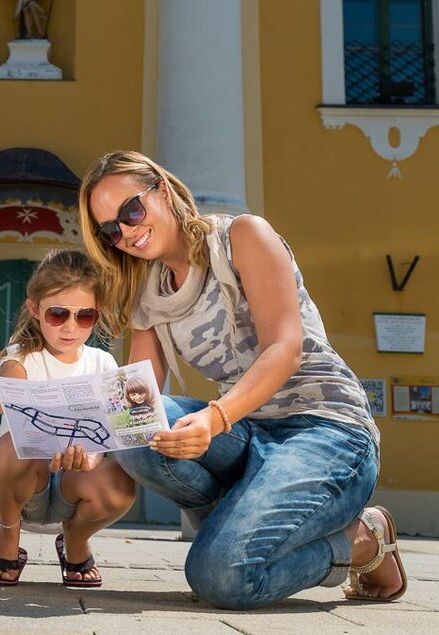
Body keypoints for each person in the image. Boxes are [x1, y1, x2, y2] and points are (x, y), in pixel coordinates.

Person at [77, 150, 407, 609]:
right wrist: (92, 441)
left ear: (163, 191)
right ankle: (241, 528)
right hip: (247, 431)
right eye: (111, 229)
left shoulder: (242, 236)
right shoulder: (145, 289)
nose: (126, 231)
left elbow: (284, 349)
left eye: (131, 211)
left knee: (219, 578)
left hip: (325, 429)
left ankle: (362, 539)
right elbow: (139, 397)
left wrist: (214, 419)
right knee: (136, 426)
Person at [0, 249, 137, 587]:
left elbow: (116, 429)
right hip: (21, 484)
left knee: (122, 480)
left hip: (74, 486)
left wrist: (94, 455)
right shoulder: (20, 357)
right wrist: (11, 376)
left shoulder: (102, 363)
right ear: (35, 309)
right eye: (58, 314)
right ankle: (7, 536)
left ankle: (75, 542)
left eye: (85, 316)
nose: (70, 327)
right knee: (12, 446)